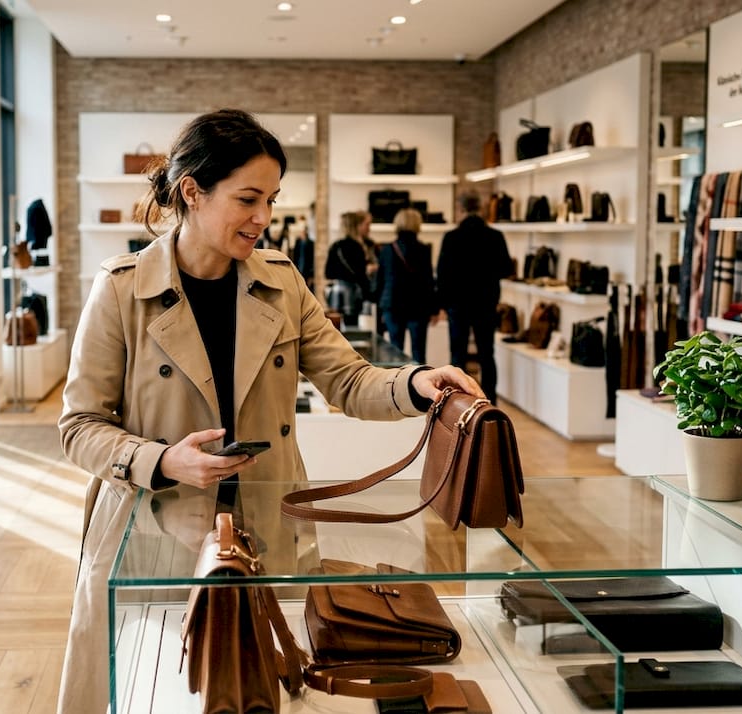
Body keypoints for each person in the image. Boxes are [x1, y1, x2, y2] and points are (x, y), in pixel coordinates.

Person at [55, 109, 481, 713]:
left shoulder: (279, 282)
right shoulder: (122, 289)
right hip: (157, 533)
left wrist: (416, 384)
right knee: (164, 693)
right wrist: (162, 460)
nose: (265, 219)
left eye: (272, 200)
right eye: (248, 199)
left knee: (266, 692)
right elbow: (78, 428)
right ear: (192, 192)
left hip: (266, 528)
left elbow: (348, 378)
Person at [437, 191, 512, 403]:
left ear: (460, 208)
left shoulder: (451, 237)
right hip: (486, 302)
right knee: (486, 355)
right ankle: (489, 402)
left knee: (458, 355)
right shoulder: (494, 236)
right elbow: (506, 268)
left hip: (457, 304)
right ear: (480, 208)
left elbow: (442, 274)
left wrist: (442, 304)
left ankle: (459, 402)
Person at [372, 208, 437, 362]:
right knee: (419, 351)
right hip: (418, 307)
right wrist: (434, 308)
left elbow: (380, 280)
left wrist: (379, 303)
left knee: (395, 351)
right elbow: (428, 281)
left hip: (393, 305)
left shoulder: (387, 250)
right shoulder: (423, 250)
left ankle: (395, 385)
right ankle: (419, 384)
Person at [324, 211, 375, 327]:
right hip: (356, 293)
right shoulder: (357, 247)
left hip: (338, 294)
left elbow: (328, 272)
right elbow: (361, 275)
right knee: (357, 328)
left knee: (339, 328)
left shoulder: (336, 246)